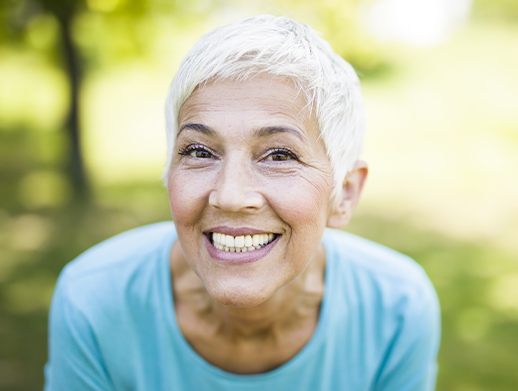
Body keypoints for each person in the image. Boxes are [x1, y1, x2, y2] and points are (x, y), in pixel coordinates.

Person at [45, 15, 440, 390]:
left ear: (345, 193)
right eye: (199, 151)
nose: (231, 196)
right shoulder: (94, 302)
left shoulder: (396, 310)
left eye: (280, 155)